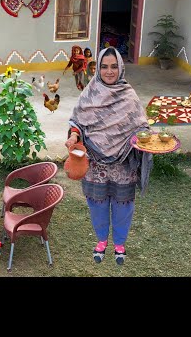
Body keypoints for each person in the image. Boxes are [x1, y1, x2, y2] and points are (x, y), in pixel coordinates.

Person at [64, 46, 152, 265]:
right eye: (104, 66)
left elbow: (141, 126)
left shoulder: (129, 95)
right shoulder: (90, 92)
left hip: (124, 162)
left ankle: (120, 244)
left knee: (123, 205)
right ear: (97, 69)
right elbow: (77, 122)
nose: (109, 71)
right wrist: (74, 137)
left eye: (114, 66)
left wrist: (148, 137)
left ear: (120, 68)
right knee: (98, 203)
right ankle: (102, 241)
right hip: (95, 162)